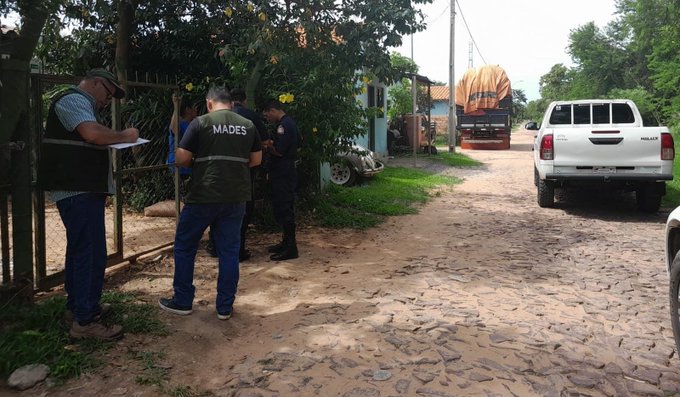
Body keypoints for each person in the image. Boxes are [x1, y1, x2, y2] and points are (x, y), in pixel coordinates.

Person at [37, 68, 139, 340]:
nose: (108, 100)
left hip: (82, 190)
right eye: (108, 93)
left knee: (82, 251)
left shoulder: (84, 104)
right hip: (77, 191)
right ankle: (85, 322)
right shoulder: (73, 99)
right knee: (90, 254)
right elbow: (92, 134)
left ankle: (79, 308)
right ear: (96, 83)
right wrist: (126, 136)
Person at [159, 85, 262, 320]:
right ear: (232, 103)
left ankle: (183, 301)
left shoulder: (201, 123)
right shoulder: (247, 125)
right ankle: (224, 307)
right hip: (236, 197)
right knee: (229, 252)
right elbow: (256, 160)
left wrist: (199, 160)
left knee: (185, 246)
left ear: (209, 103)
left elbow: (182, 158)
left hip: (204, 195)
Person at [229, 87, 269, 261]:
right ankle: (239, 250)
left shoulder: (219, 117)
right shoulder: (251, 116)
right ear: (244, 100)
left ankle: (216, 247)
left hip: (221, 170)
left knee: (220, 207)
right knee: (243, 207)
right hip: (246, 169)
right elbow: (266, 142)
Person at [262, 100, 299, 261]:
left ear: (272, 110)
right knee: (283, 206)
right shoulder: (288, 122)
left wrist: (268, 145)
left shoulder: (284, 126)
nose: (267, 118)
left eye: (267, 114)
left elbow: (279, 151)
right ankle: (286, 242)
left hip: (283, 172)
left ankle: (291, 248)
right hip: (284, 171)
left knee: (284, 208)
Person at [167, 94, 198, 179]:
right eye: (194, 107)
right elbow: (174, 129)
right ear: (188, 109)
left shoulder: (194, 124)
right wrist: (176, 106)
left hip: (190, 166)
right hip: (179, 167)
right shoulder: (180, 124)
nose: (196, 110)